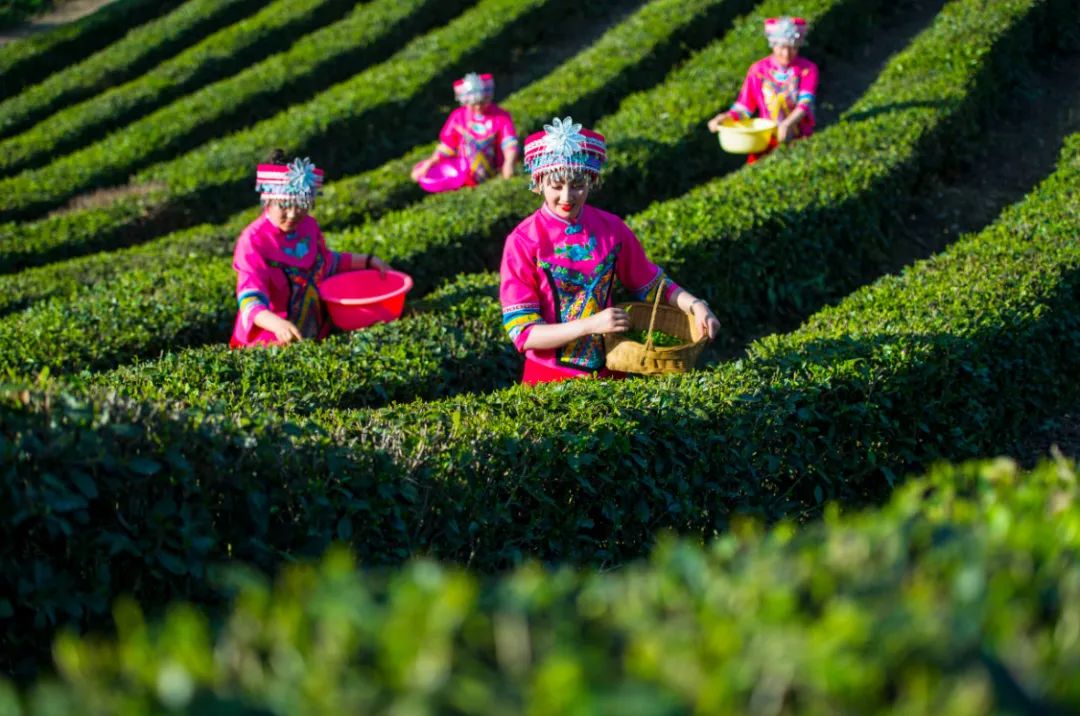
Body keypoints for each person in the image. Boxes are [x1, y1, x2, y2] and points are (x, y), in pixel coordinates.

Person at [499, 116, 721, 385]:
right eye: (556, 187)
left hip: (613, 370)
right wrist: (591, 324)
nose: (567, 197)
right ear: (539, 184)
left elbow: (651, 284)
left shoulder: (611, 228)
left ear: (591, 181)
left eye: (578, 185)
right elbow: (523, 332)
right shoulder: (523, 241)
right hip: (548, 380)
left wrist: (696, 305)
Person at [231, 150, 390, 347]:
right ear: (268, 201)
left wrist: (367, 261)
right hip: (270, 341)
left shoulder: (308, 226)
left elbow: (325, 262)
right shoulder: (253, 241)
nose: (292, 215)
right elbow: (249, 298)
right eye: (284, 206)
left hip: (314, 331)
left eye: (301, 205)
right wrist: (278, 325)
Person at [706, 16, 819, 163]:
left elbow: (804, 103)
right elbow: (744, 108)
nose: (786, 53)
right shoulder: (758, 70)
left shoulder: (807, 69)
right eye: (781, 47)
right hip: (765, 141)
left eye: (793, 47)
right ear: (772, 45)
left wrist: (787, 124)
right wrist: (724, 118)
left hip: (800, 137)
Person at [410, 72, 519, 188]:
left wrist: (509, 163)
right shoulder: (458, 117)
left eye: (482, 102)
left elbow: (509, 143)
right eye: (473, 104)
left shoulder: (501, 116)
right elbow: (447, 146)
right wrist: (429, 163)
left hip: (495, 174)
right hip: (465, 179)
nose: (478, 107)